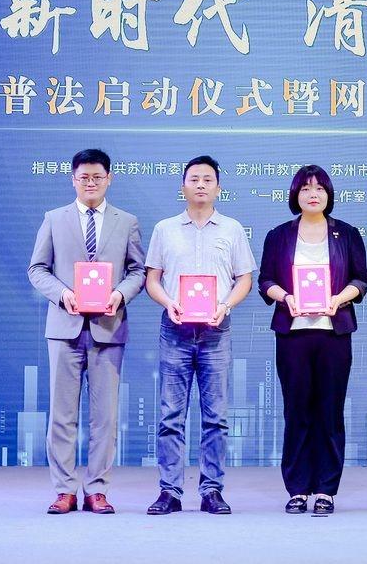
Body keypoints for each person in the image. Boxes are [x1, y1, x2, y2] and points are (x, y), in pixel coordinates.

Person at [27, 148, 146, 514]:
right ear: (73, 179)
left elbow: (138, 271)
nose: (90, 183)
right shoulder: (54, 219)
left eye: (97, 177)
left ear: (109, 179)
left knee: (104, 417)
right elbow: (37, 269)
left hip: (108, 328)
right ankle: (64, 489)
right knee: (62, 415)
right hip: (64, 328)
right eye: (84, 177)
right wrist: (63, 294)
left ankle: (97, 489)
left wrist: (118, 295)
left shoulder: (127, 222)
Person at [144, 155, 256, 515]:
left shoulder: (232, 229)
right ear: (183, 186)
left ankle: (212, 490)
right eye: (194, 179)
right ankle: (170, 491)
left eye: (208, 179)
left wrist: (226, 305)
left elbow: (245, 279)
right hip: (175, 330)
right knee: (170, 416)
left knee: (216, 417)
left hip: (216, 331)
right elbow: (152, 280)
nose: (201, 185)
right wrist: (169, 302)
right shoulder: (164, 229)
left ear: (218, 187)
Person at [257, 165, 367, 515]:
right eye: (305, 188)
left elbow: (360, 280)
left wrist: (339, 299)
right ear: (296, 195)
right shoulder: (278, 235)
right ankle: (297, 488)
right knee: (297, 410)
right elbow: (265, 280)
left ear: (329, 194)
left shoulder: (346, 234)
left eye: (320, 188)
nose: (313, 194)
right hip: (293, 334)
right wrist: (286, 297)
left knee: (330, 411)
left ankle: (325, 489)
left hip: (334, 332)